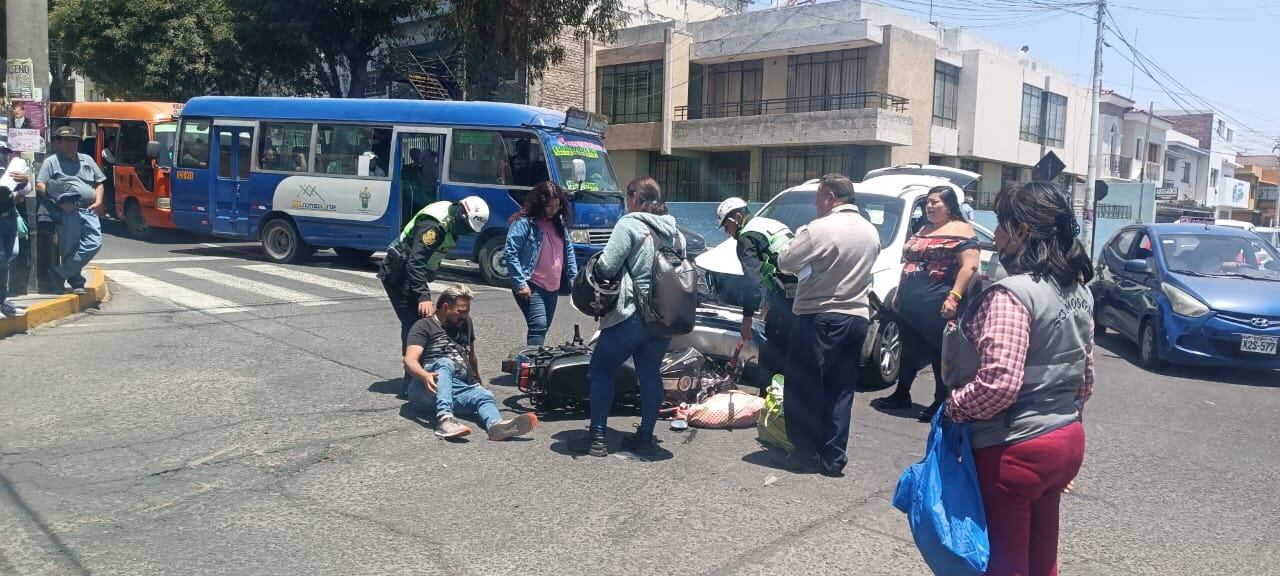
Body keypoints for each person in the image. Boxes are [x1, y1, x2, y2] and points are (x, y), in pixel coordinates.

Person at [944, 181, 1093, 576]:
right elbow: (1085, 379)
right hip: (1066, 439)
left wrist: (954, 406)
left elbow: (1000, 384)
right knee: (1042, 554)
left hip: (1015, 447)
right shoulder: (1078, 291)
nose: (996, 235)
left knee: (1005, 562)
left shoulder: (1011, 294)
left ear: (1023, 231)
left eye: (1002, 225)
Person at [774, 174, 880, 477]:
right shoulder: (870, 232)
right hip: (857, 317)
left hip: (819, 315)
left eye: (818, 196)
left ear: (830, 196)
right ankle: (833, 457)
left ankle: (804, 453)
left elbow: (785, 261)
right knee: (841, 389)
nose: (815, 203)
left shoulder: (818, 229)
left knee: (805, 386)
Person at [570, 176, 683, 458]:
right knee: (649, 375)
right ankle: (645, 436)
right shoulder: (675, 232)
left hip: (630, 315)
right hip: (662, 319)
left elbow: (607, 267)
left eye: (627, 198)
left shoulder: (630, 224)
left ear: (635, 198)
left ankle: (597, 436)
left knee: (600, 370)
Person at [871, 185, 981, 421]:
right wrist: (899, 295)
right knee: (909, 351)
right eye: (928, 202)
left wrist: (954, 297)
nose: (929, 206)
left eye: (935, 202)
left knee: (938, 353)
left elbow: (969, 266)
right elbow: (908, 265)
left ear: (949, 205)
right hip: (910, 305)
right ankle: (901, 394)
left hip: (938, 305)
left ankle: (941, 402)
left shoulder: (962, 230)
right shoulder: (924, 228)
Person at [378, 196, 490, 396]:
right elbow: (415, 262)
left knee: (419, 321)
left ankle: (424, 375)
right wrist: (423, 296)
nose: (466, 233)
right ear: (460, 215)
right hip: (399, 273)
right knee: (414, 324)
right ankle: (411, 382)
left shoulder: (452, 224)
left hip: (412, 273)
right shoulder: (434, 226)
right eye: (466, 227)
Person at [403, 284, 539, 440]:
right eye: (461, 311)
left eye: (467, 311)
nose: (465, 315)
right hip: (425, 389)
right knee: (445, 363)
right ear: (446, 307)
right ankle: (445, 420)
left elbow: (472, 355)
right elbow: (409, 360)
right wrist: (424, 375)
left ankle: (496, 427)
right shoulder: (424, 326)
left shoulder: (465, 323)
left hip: (455, 390)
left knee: (484, 395)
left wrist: (478, 379)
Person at [714, 196, 797, 387]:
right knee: (794, 354)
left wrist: (747, 318)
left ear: (736, 218)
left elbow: (752, 281)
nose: (727, 231)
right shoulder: (769, 223)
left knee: (773, 358)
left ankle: (773, 404)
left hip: (787, 297)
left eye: (726, 225)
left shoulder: (746, 237)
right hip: (804, 291)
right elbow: (774, 259)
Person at [504, 181, 578, 345]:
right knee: (538, 325)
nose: (554, 210)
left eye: (557, 206)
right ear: (539, 204)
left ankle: (530, 362)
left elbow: (568, 251)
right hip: (532, 284)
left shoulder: (559, 223)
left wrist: (575, 280)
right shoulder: (525, 223)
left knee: (543, 328)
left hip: (553, 286)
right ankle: (531, 365)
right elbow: (510, 252)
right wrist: (520, 283)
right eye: (549, 206)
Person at [36, 126, 105, 295]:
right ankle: (76, 282)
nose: (71, 143)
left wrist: (99, 200)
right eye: (67, 140)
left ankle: (59, 272)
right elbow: (40, 185)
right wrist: (59, 203)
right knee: (69, 247)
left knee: (95, 242)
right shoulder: (51, 162)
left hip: (89, 209)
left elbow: (99, 182)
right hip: (67, 210)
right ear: (58, 142)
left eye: (74, 140)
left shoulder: (87, 160)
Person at [0, 143, 31, 319]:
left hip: (9, 217)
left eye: (5, 152)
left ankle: (2, 301)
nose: (3, 155)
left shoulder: (11, 169)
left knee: (11, 254)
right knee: (1, 259)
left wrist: (24, 182)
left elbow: (26, 190)